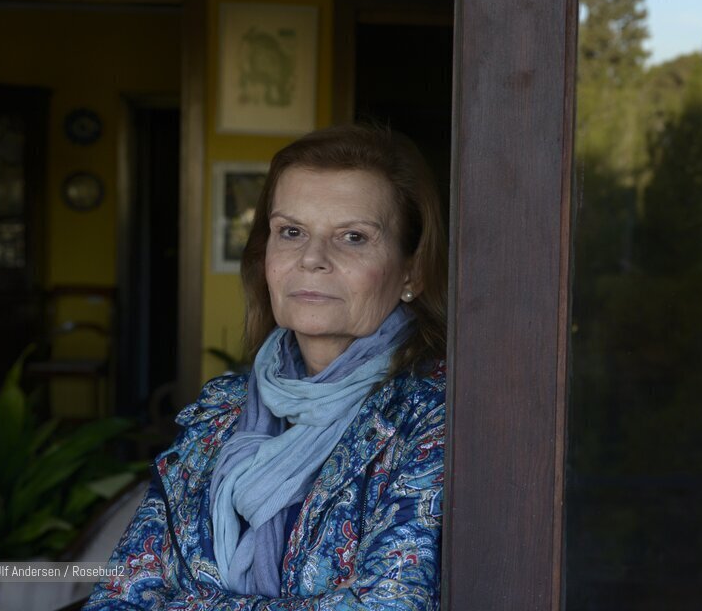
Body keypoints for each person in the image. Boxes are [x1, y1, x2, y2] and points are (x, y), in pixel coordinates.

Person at [84, 125, 447, 610]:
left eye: (353, 237)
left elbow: (390, 604)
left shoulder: (434, 415)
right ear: (265, 255)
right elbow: (119, 592)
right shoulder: (220, 408)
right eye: (291, 232)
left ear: (412, 272)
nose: (312, 259)